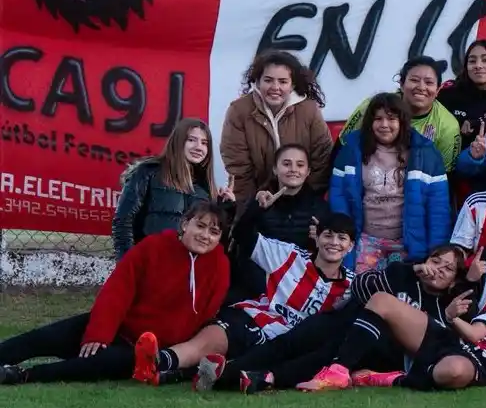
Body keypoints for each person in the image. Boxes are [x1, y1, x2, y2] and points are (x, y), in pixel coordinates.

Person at [0, 201, 233, 385]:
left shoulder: (220, 266)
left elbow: (206, 316)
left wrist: (172, 357)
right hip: (118, 327)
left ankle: (23, 375)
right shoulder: (153, 247)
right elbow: (118, 290)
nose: (205, 236)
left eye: (214, 231)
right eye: (200, 226)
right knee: (44, 337)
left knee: (93, 365)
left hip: (146, 350)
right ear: (185, 224)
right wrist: (99, 333)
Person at [194, 245, 470, 394]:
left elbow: (424, 345)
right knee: (293, 340)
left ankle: (244, 377)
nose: (438, 270)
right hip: (342, 318)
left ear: (452, 282)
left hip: (369, 347)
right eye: (437, 261)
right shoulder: (401, 272)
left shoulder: (439, 308)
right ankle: (227, 372)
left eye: (448, 269)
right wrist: (414, 269)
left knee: (328, 350)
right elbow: (361, 288)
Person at [129, 210, 357, 384]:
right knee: (209, 342)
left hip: (281, 344)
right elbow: (244, 235)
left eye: (341, 238)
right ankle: (158, 361)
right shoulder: (290, 256)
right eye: (328, 235)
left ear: (350, 246)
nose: (334, 243)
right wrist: (257, 208)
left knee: (232, 365)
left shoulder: (352, 285)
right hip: (253, 317)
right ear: (316, 238)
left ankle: (174, 374)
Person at [297, 256, 486, 392]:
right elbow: (473, 334)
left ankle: (387, 377)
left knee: (454, 371)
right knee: (382, 300)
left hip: (483, 368)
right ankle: (338, 371)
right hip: (462, 345)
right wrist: (451, 317)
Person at [331, 92, 452, 271]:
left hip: (408, 245)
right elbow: (338, 198)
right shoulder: (351, 150)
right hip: (365, 241)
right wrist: (343, 238)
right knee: (361, 291)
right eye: (378, 119)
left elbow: (438, 209)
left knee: (399, 295)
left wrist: (436, 253)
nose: (384, 125)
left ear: (402, 122)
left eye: (391, 119)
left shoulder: (425, 153)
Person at [220, 50, 334, 205]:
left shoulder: (309, 110)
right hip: (256, 200)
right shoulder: (238, 111)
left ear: (292, 84)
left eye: (283, 81)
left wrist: (303, 199)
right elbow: (238, 167)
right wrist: (255, 203)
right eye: (268, 80)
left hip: (303, 200)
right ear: (258, 81)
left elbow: (322, 160)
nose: (275, 87)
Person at [225, 143, 332, 302]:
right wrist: (258, 208)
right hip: (257, 286)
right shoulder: (259, 200)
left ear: (308, 171)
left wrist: (320, 240)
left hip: (298, 288)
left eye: (300, 165)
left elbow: (329, 257)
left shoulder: (320, 208)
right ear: (275, 169)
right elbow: (240, 236)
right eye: (286, 164)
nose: (293, 169)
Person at [112, 117, 223, 258]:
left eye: (204, 143)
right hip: (150, 262)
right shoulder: (148, 172)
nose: (198, 147)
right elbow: (122, 222)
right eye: (191, 140)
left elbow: (213, 238)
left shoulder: (205, 187)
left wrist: (226, 208)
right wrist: (128, 265)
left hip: (188, 270)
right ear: (178, 141)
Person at [341, 57, 460, 169]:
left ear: (438, 89)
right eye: (414, 80)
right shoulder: (371, 106)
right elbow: (342, 146)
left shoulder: (448, 126)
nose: (421, 87)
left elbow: (446, 174)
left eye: (429, 83)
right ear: (401, 84)